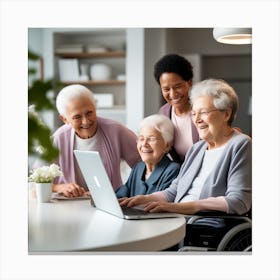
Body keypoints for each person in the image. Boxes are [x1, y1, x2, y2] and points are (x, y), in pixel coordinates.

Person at [120, 78, 252, 215]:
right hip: (179, 218)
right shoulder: (197, 149)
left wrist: (181, 207)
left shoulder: (241, 144)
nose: (197, 119)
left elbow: (239, 201)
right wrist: (143, 199)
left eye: (204, 112)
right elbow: (174, 191)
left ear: (226, 114)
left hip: (205, 225)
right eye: (194, 113)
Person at [52, 84, 141, 197]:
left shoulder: (116, 130)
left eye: (89, 113)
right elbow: (35, 181)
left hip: (111, 203)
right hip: (69, 205)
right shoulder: (59, 137)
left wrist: (127, 190)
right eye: (77, 117)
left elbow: (145, 165)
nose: (86, 121)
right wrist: (58, 187)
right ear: (64, 119)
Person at [115, 114, 180, 198]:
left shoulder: (173, 170)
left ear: (167, 145)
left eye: (151, 139)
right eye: (141, 139)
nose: (144, 144)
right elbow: (124, 190)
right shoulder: (139, 167)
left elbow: (162, 204)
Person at [154, 54, 199, 164]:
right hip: (181, 175)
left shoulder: (202, 109)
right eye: (166, 89)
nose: (173, 94)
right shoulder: (164, 113)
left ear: (189, 83)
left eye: (178, 86)